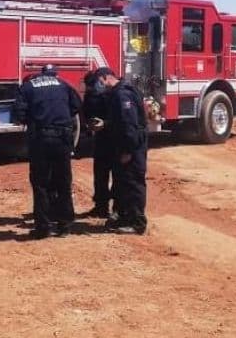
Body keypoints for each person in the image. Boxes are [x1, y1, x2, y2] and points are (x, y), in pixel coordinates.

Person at [13, 64, 81, 237]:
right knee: (63, 183)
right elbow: (76, 106)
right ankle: (65, 226)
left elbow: (19, 113)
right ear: (54, 74)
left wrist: (30, 120)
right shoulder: (64, 84)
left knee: (41, 184)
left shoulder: (28, 86)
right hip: (63, 138)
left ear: (40, 74)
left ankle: (43, 228)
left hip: (40, 139)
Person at [96, 67, 148, 234]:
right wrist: (106, 124)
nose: (98, 85)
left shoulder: (122, 94)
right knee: (122, 183)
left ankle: (137, 223)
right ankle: (125, 217)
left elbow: (129, 124)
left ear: (106, 77)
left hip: (131, 146)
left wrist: (128, 150)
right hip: (124, 144)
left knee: (133, 184)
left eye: (99, 81)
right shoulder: (118, 92)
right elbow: (120, 121)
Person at [80, 70, 115, 219]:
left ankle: (102, 207)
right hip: (111, 137)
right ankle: (111, 208)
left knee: (101, 174)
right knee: (111, 175)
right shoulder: (111, 94)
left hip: (104, 137)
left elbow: (86, 114)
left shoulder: (93, 96)